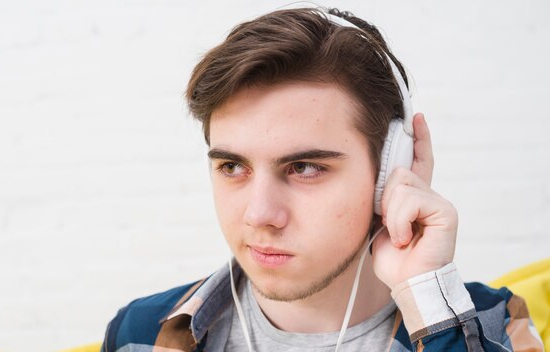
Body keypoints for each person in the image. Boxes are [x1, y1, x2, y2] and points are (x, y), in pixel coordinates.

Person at [100, 7, 544, 352]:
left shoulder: (494, 324)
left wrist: (428, 299)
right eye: (233, 167)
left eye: (305, 167)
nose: (260, 215)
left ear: (393, 168)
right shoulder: (137, 332)